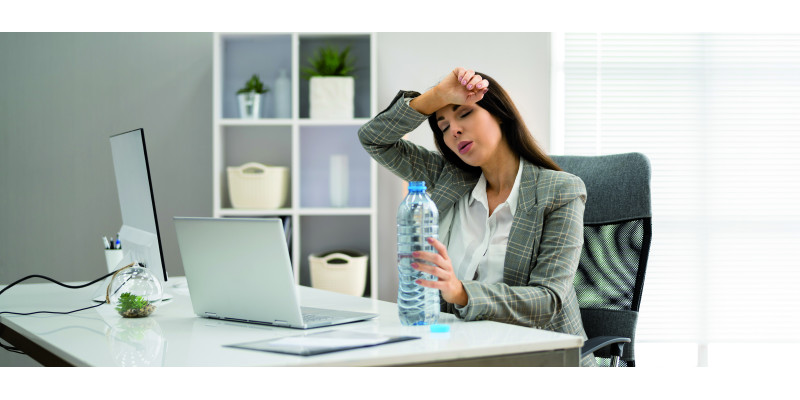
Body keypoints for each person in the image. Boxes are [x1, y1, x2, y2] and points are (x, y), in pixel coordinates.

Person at [359, 67, 595, 367]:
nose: (453, 131)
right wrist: (434, 98)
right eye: (443, 126)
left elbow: (548, 300)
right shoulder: (447, 177)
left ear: (498, 113)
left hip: (538, 357)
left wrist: (461, 292)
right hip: (458, 348)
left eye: (464, 114)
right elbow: (374, 139)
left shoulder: (560, 191)